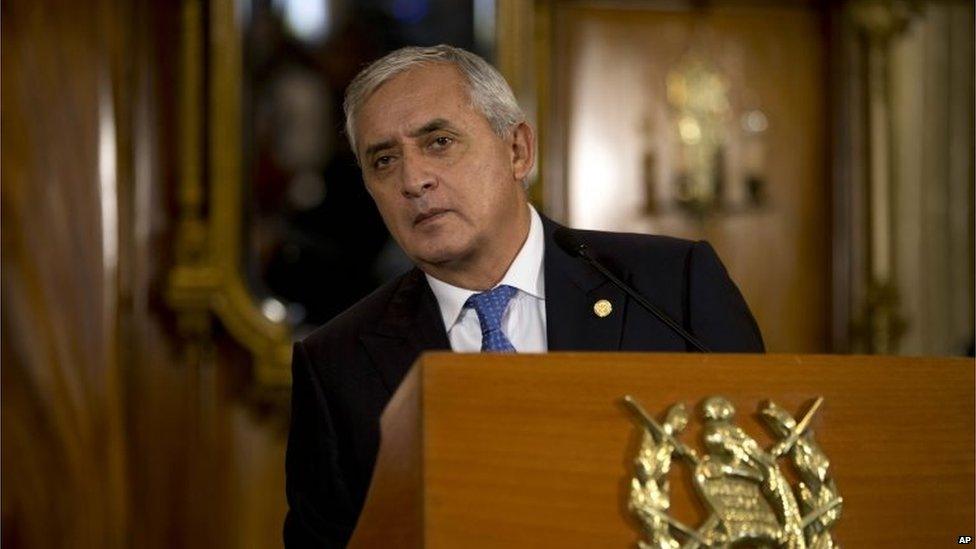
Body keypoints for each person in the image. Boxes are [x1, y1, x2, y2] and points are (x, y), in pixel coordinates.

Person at [284, 44, 764, 547]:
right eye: (383, 160)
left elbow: (761, 481)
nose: (413, 179)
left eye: (440, 142)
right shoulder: (335, 363)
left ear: (517, 151)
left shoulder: (669, 286)